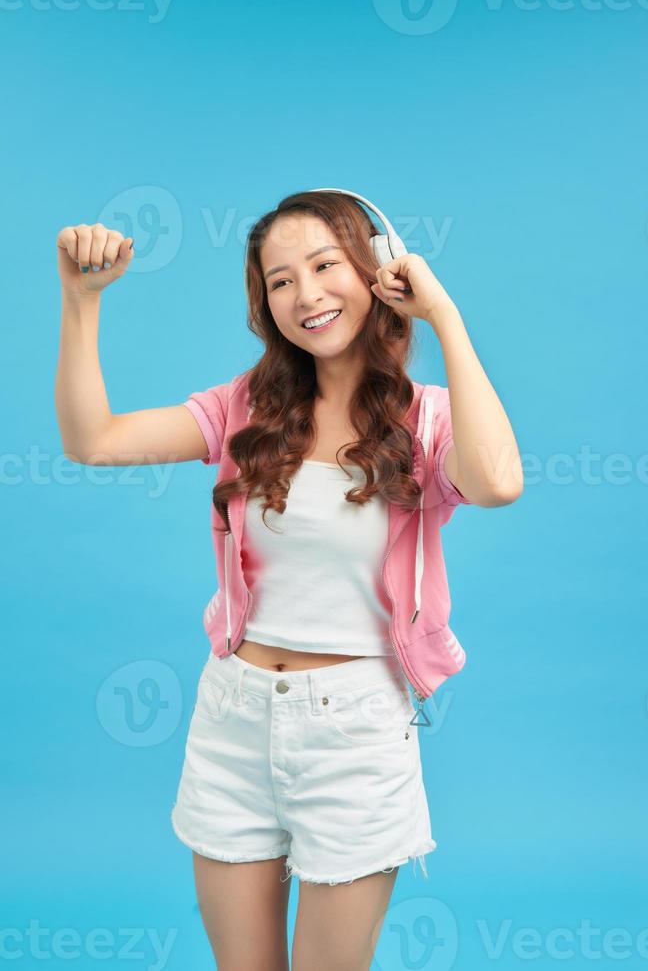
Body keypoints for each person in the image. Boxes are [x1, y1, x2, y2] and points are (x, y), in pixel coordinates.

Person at [54, 190, 523, 971]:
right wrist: (80, 302)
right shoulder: (245, 407)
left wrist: (448, 319)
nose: (304, 295)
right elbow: (94, 441)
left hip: (354, 733)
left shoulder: (428, 420)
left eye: (325, 265)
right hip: (232, 719)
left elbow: (499, 481)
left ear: (378, 270)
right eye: (279, 280)